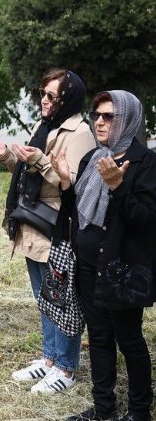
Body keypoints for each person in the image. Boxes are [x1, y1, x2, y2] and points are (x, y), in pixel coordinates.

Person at [0, 69, 95, 394]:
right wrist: (6, 155)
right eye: (42, 94)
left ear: (68, 98)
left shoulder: (80, 133)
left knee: (62, 299)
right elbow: (25, 171)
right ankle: (49, 360)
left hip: (58, 228)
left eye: (51, 95)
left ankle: (66, 367)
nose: (44, 100)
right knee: (43, 298)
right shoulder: (42, 125)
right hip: (31, 224)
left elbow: (72, 184)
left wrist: (41, 162)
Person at [52, 91, 156, 421]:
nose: (99, 120)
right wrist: (67, 185)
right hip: (87, 263)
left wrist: (118, 186)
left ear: (126, 120)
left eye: (108, 116)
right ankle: (103, 409)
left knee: (128, 340)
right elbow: (76, 213)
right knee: (98, 338)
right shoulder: (92, 159)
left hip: (122, 267)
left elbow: (146, 218)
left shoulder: (146, 162)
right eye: (96, 114)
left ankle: (140, 412)